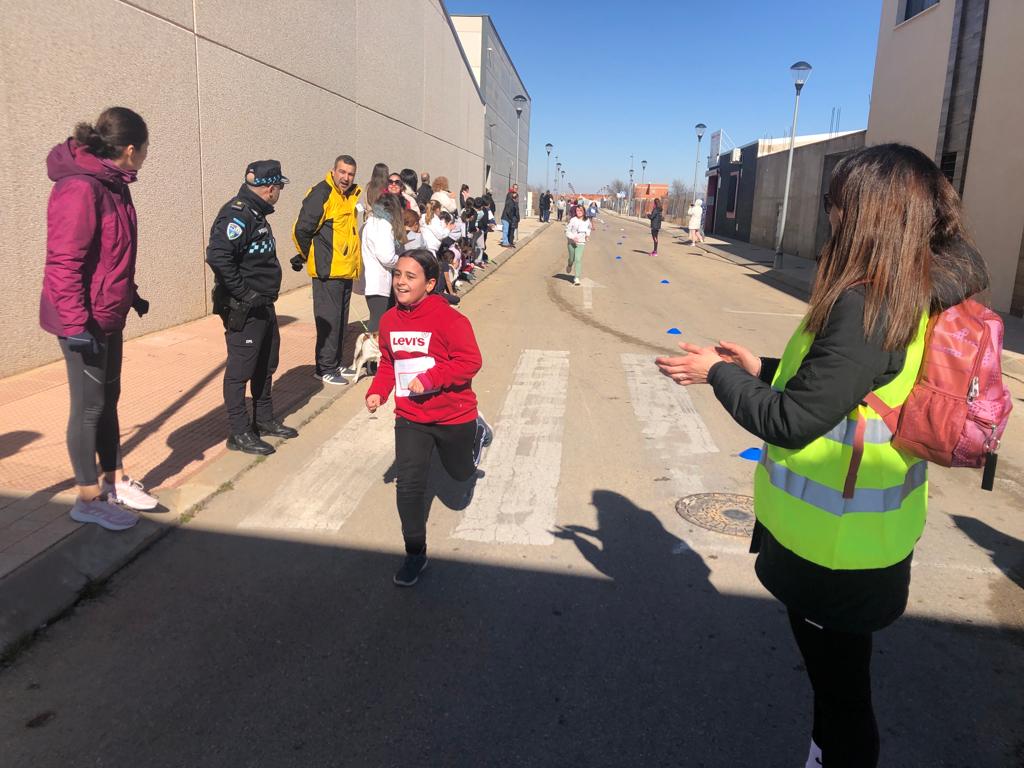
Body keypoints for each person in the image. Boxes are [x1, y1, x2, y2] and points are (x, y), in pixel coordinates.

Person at [655, 144, 990, 768]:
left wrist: (715, 375)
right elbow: (847, 391)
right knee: (839, 687)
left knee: (842, 697)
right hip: (857, 546)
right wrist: (761, 368)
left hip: (836, 555)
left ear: (869, 215)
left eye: (840, 203)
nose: (830, 215)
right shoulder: (903, 291)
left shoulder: (870, 304)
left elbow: (792, 420)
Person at [40, 106, 158, 530]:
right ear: (129, 149)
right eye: (145, 149)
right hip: (83, 320)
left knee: (110, 400)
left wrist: (131, 294)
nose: (146, 156)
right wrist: (74, 325)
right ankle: (87, 498)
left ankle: (114, 480)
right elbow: (63, 263)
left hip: (109, 312)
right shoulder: (79, 188)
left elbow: (111, 254)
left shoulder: (115, 183)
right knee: (88, 408)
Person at [365, 249, 493, 587]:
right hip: (411, 416)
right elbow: (390, 362)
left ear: (430, 283)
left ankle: (478, 433)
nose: (401, 283)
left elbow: (470, 361)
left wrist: (432, 378)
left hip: (453, 414)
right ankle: (415, 554)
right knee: (409, 485)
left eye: (410, 277)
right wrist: (379, 390)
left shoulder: (451, 320)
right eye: (398, 276)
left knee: (461, 473)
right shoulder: (390, 320)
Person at [206, 160, 298, 456]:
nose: (280, 192)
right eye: (280, 187)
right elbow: (219, 257)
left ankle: (264, 419)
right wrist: (245, 293)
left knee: (266, 364)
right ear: (271, 188)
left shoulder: (256, 213)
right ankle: (239, 432)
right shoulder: (238, 215)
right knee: (240, 370)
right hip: (244, 307)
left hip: (263, 305)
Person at [292, 154, 363, 385]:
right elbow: (301, 229)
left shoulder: (349, 196)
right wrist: (307, 255)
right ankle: (324, 368)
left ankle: (335, 363)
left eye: (350, 174)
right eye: (342, 172)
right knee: (329, 322)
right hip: (327, 271)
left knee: (340, 321)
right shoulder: (322, 193)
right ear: (333, 171)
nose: (346, 177)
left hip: (344, 271)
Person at [352, 192, 406, 382]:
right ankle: (375, 363)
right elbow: (386, 256)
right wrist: (400, 260)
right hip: (379, 279)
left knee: (377, 320)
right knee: (378, 322)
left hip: (372, 279)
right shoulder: (383, 225)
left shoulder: (370, 222)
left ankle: (373, 362)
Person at [565, 204, 592, 286]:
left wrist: (587, 235)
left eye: (580, 210)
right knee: (572, 259)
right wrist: (573, 237)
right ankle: (569, 265)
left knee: (578, 259)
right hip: (571, 242)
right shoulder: (573, 220)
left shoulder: (587, 220)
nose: (579, 212)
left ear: (583, 211)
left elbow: (589, 228)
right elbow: (567, 230)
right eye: (577, 210)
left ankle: (576, 277)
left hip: (581, 242)